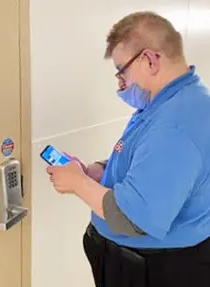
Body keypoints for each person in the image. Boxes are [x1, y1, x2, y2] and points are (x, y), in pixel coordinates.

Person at [47, 11, 210, 287]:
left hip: (153, 270)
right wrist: (99, 171)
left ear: (149, 60)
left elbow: (132, 219)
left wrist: (77, 183)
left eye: (122, 71)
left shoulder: (174, 128)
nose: (121, 84)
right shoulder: (176, 101)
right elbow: (144, 158)